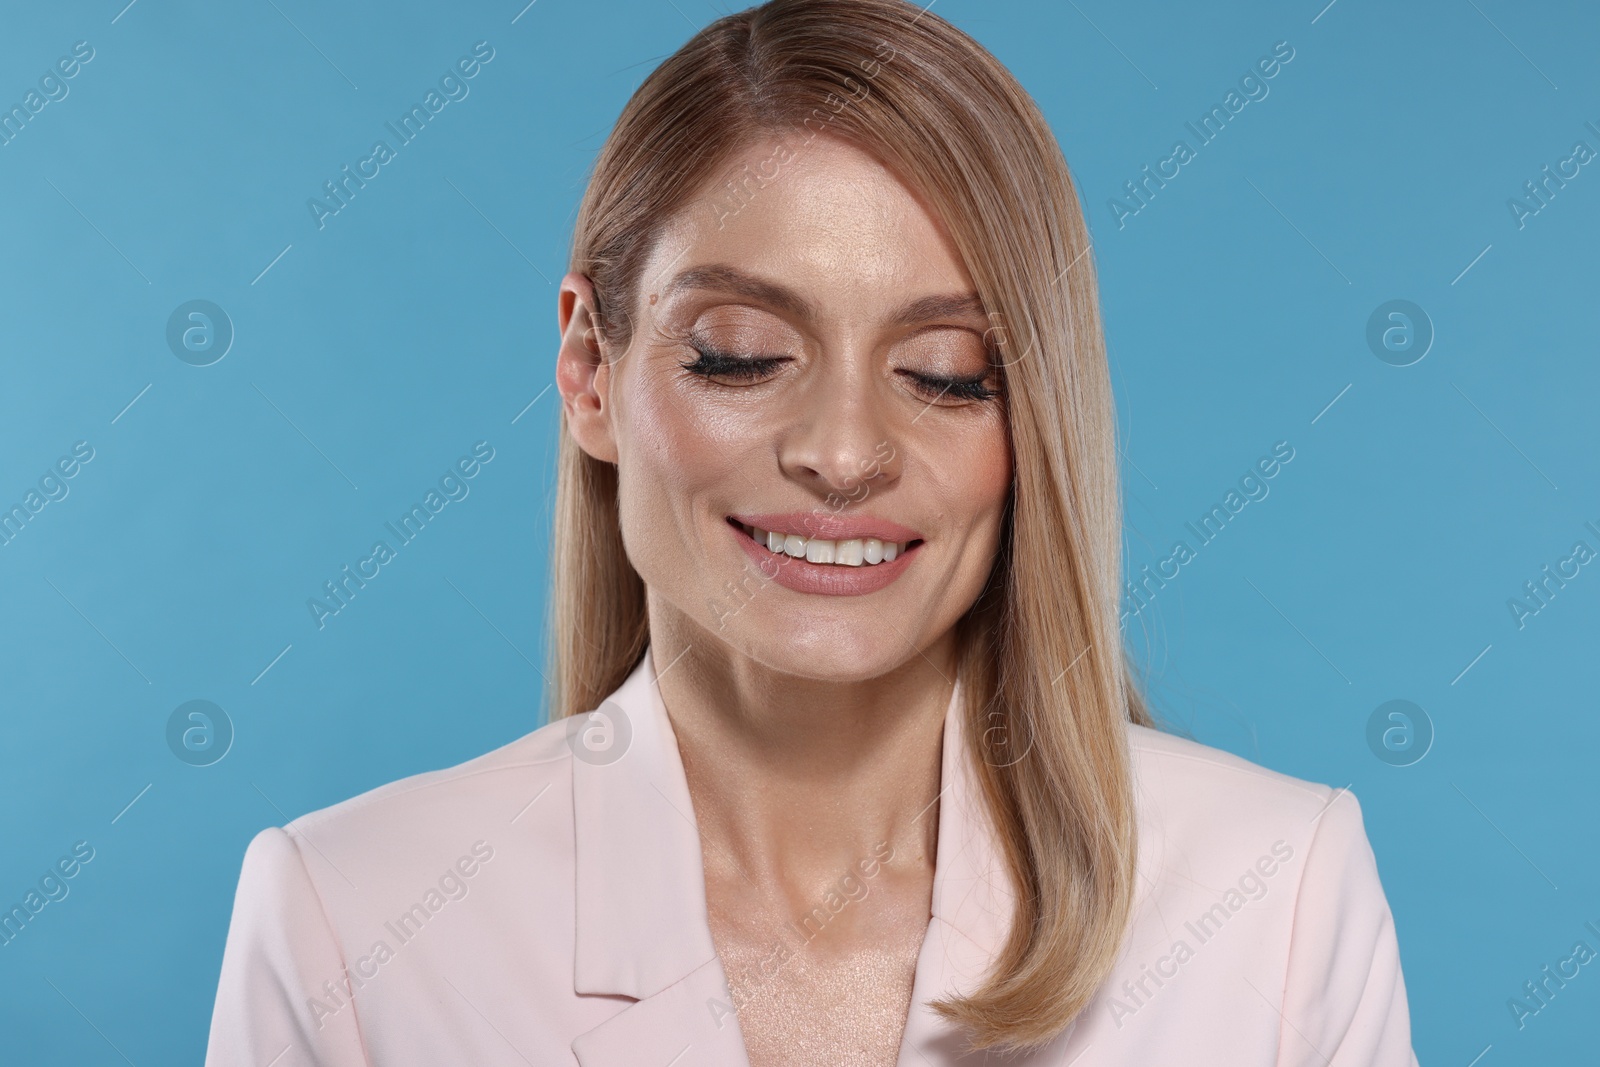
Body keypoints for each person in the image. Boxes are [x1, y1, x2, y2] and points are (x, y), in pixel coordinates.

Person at [204, 1, 1418, 1063]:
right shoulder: (348, 920)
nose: (843, 453)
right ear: (588, 371)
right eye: (740, 354)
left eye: (946, 373)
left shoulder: (1279, 893)